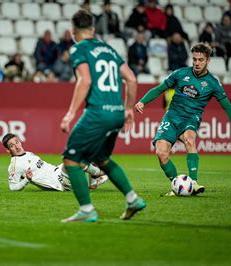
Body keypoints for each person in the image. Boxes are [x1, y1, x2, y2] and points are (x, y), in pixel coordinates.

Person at [134, 43, 231, 196]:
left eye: (201, 60)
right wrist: (142, 101)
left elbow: (228, 106)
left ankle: (194, 182)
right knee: (161, 153)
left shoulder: (212, 83)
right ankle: (177, 185)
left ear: (208, 61)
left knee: (190, 139)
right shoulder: (180, 74)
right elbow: (160, 88)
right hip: (172, 117)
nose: (197, 63)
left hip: (191, 118)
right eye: (195, 59)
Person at [59, 10, 146, 223]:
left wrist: (70, 113)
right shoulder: (109, 49)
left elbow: (85, 81)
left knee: (71, 159)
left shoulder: (78, 48)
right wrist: (127, 109)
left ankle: (87, 209)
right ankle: (132, 199)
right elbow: (132, 79)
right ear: (93, 29)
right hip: (116, 112)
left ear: (73, 31)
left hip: (97, 113)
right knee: (102, 158)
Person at [2, 134, 108, 192]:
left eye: (17, 142)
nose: (16, 146)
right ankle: (98, 173)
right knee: (71, 157)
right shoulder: (15, 165)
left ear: (20, 141)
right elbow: (12, 187)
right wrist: (26, 180)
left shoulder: (28, 154)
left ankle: (94, 182)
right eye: (11, 146)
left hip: (58, 170)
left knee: (86, 150)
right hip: (60, 182)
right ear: (8, 150)